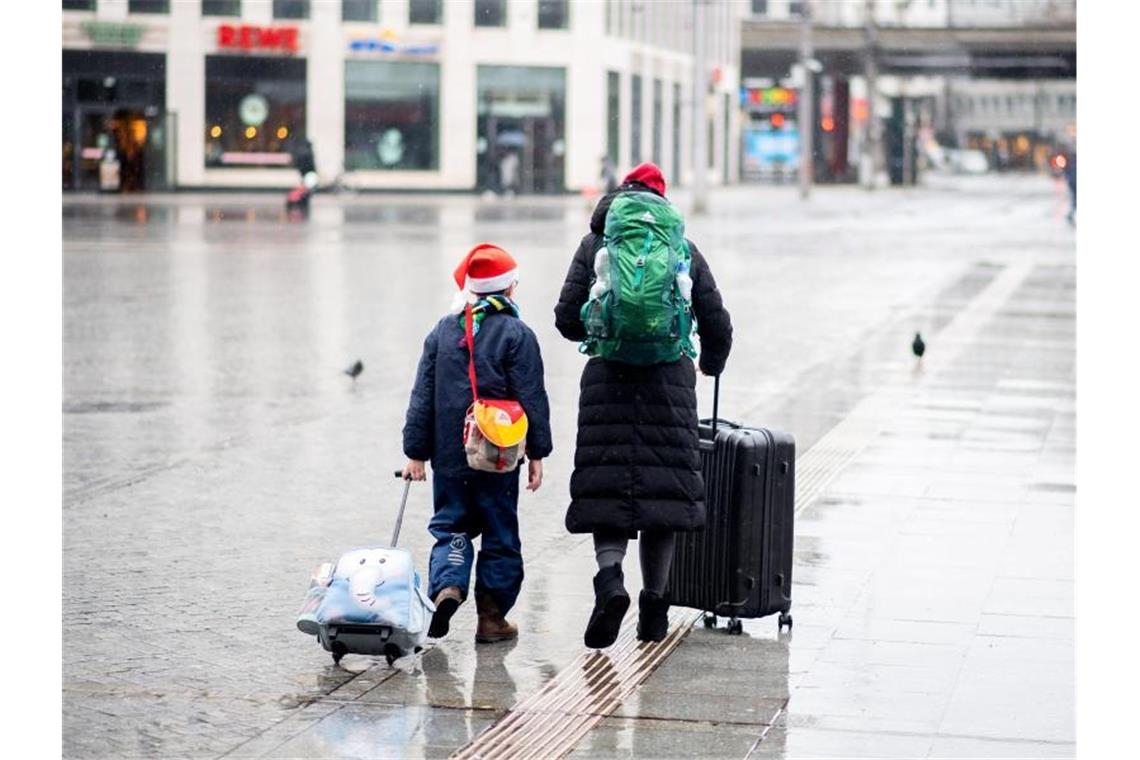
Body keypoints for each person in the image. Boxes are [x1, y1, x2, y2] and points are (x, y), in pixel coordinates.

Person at [553, 162, 733, 647]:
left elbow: (566, 318)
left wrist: (599, 328)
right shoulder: (680, 249)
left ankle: (611, 581)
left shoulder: (597, 246)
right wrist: (711, 361)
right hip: (668, 385)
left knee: (607, 488)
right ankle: (655, 608)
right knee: (662, 497)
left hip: (607, 382)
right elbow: (716, 320)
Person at [402, 244, 552, 644]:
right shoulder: (518, 333)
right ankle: (491, 618)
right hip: (498, 454)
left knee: (451, 526)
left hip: (450, 454)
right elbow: (532, 396)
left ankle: (448, 586)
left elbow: (423, 395)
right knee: (500, 531)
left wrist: (416, 453)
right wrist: (537, 453)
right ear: (508, 290)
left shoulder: (443, 330)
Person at [1064, 149, 1076, 225]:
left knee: (1075, 200)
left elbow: (1066, 173)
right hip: (1074, 184)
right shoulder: (1073, 164)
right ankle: (1070, 214)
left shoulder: (1071, 163)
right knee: (1075, 200)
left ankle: (1070, 214)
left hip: (1072, 183)